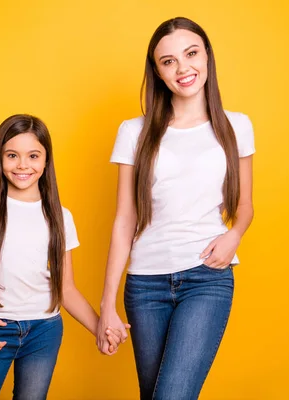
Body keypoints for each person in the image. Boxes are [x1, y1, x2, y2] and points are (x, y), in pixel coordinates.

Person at [97, 17, 256, 400]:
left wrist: (233, 235)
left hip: (207, 278)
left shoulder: (237, 126)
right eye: (168, 61)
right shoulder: (133, 131)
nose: (183, 68)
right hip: (145, 284)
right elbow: (125, 219)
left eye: (191, 53)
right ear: (157, 72)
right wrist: (107, 304)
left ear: (207, 57)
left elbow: (246, 204)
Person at [0, 114, 125, 400]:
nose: (23, 165)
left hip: (44, 332)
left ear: (46, 160)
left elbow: (66, 288)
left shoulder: (61, 217)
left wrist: (101, 327)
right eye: (12, 155)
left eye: (33, 155)